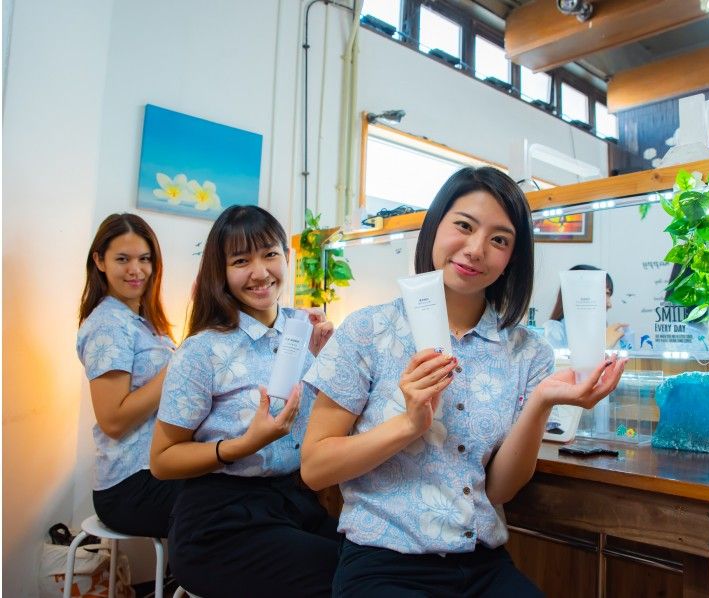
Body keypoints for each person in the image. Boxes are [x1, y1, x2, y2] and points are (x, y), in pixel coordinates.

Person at [301, 167, 626, 597]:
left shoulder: (528, 352)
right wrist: (408, 425)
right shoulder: (368, 330)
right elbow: (315, 468)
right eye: (464, 226)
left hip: (482, 564)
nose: (476, 250)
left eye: (499, 240)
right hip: (383, 563)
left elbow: (499, 489)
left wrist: (542, 401)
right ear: (435, 226)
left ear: (513, 257)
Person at [149, 205, 338, 598]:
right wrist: (244, 445)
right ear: (221, 271)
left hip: (295, 502)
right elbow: (163, 461)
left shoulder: (304, 331)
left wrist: (327, 362)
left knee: (376, 566)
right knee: (341, 578)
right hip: (221, 521)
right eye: (241, 260)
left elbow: (324, 422)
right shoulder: (202, 351)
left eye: (270, 254)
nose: (259, 272)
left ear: (287, 258)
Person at [77, 213, 181, 538]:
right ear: (100, 261)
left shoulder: (144, 321)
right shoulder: (109, 324)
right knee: (228, 504)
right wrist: (176, 370)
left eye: (144, 259)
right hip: (129, 487)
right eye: (123, 259)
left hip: (159, 469)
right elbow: (113, 421)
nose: (136, 270)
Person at [543, 264, 627, 350]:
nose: (609, 304)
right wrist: (603, 346)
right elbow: (557, 363)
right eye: (606, 293)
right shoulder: (554, 331)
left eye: (609, 295)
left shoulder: (601, 332)